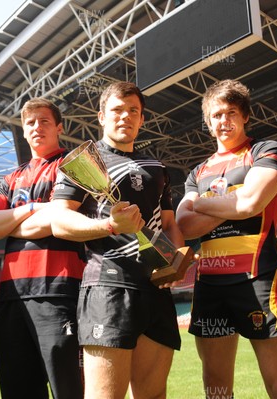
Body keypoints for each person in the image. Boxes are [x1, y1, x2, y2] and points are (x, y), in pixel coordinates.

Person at [48, 81, 184, 399]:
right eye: (117, 110)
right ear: (101, 116)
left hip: (155, 289)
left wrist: (174, 260)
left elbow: (169, 223)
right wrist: (110, 225)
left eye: (133, 111)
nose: (125, 116)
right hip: (109, 289)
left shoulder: (158, 168)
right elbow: (59, 222)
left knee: (153, 396)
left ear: (142, 119)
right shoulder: (81, 164)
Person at [176, 79, 277, 399]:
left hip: (259, 278)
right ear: (208, 123)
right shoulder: (198, 171)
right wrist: (236, 203)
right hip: (209, 285)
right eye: (216, 115)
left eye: (231, 112)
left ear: (245, 115)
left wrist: (202, 203)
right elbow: (184, 225)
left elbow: (252, 203)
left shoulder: (266, 150)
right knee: (217, 391)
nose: (224, 121)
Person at [0, 98, 85, 399]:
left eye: (44, 121)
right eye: (30, 123)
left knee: (69, 389)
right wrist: (35, 207)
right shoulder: (11, 179)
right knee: (18, 389)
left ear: (59, 128)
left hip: (59, 290)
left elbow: (57, 219)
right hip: (12, 296)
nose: (36, 127)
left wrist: (10, 222)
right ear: (24, 132)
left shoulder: (72, 165)